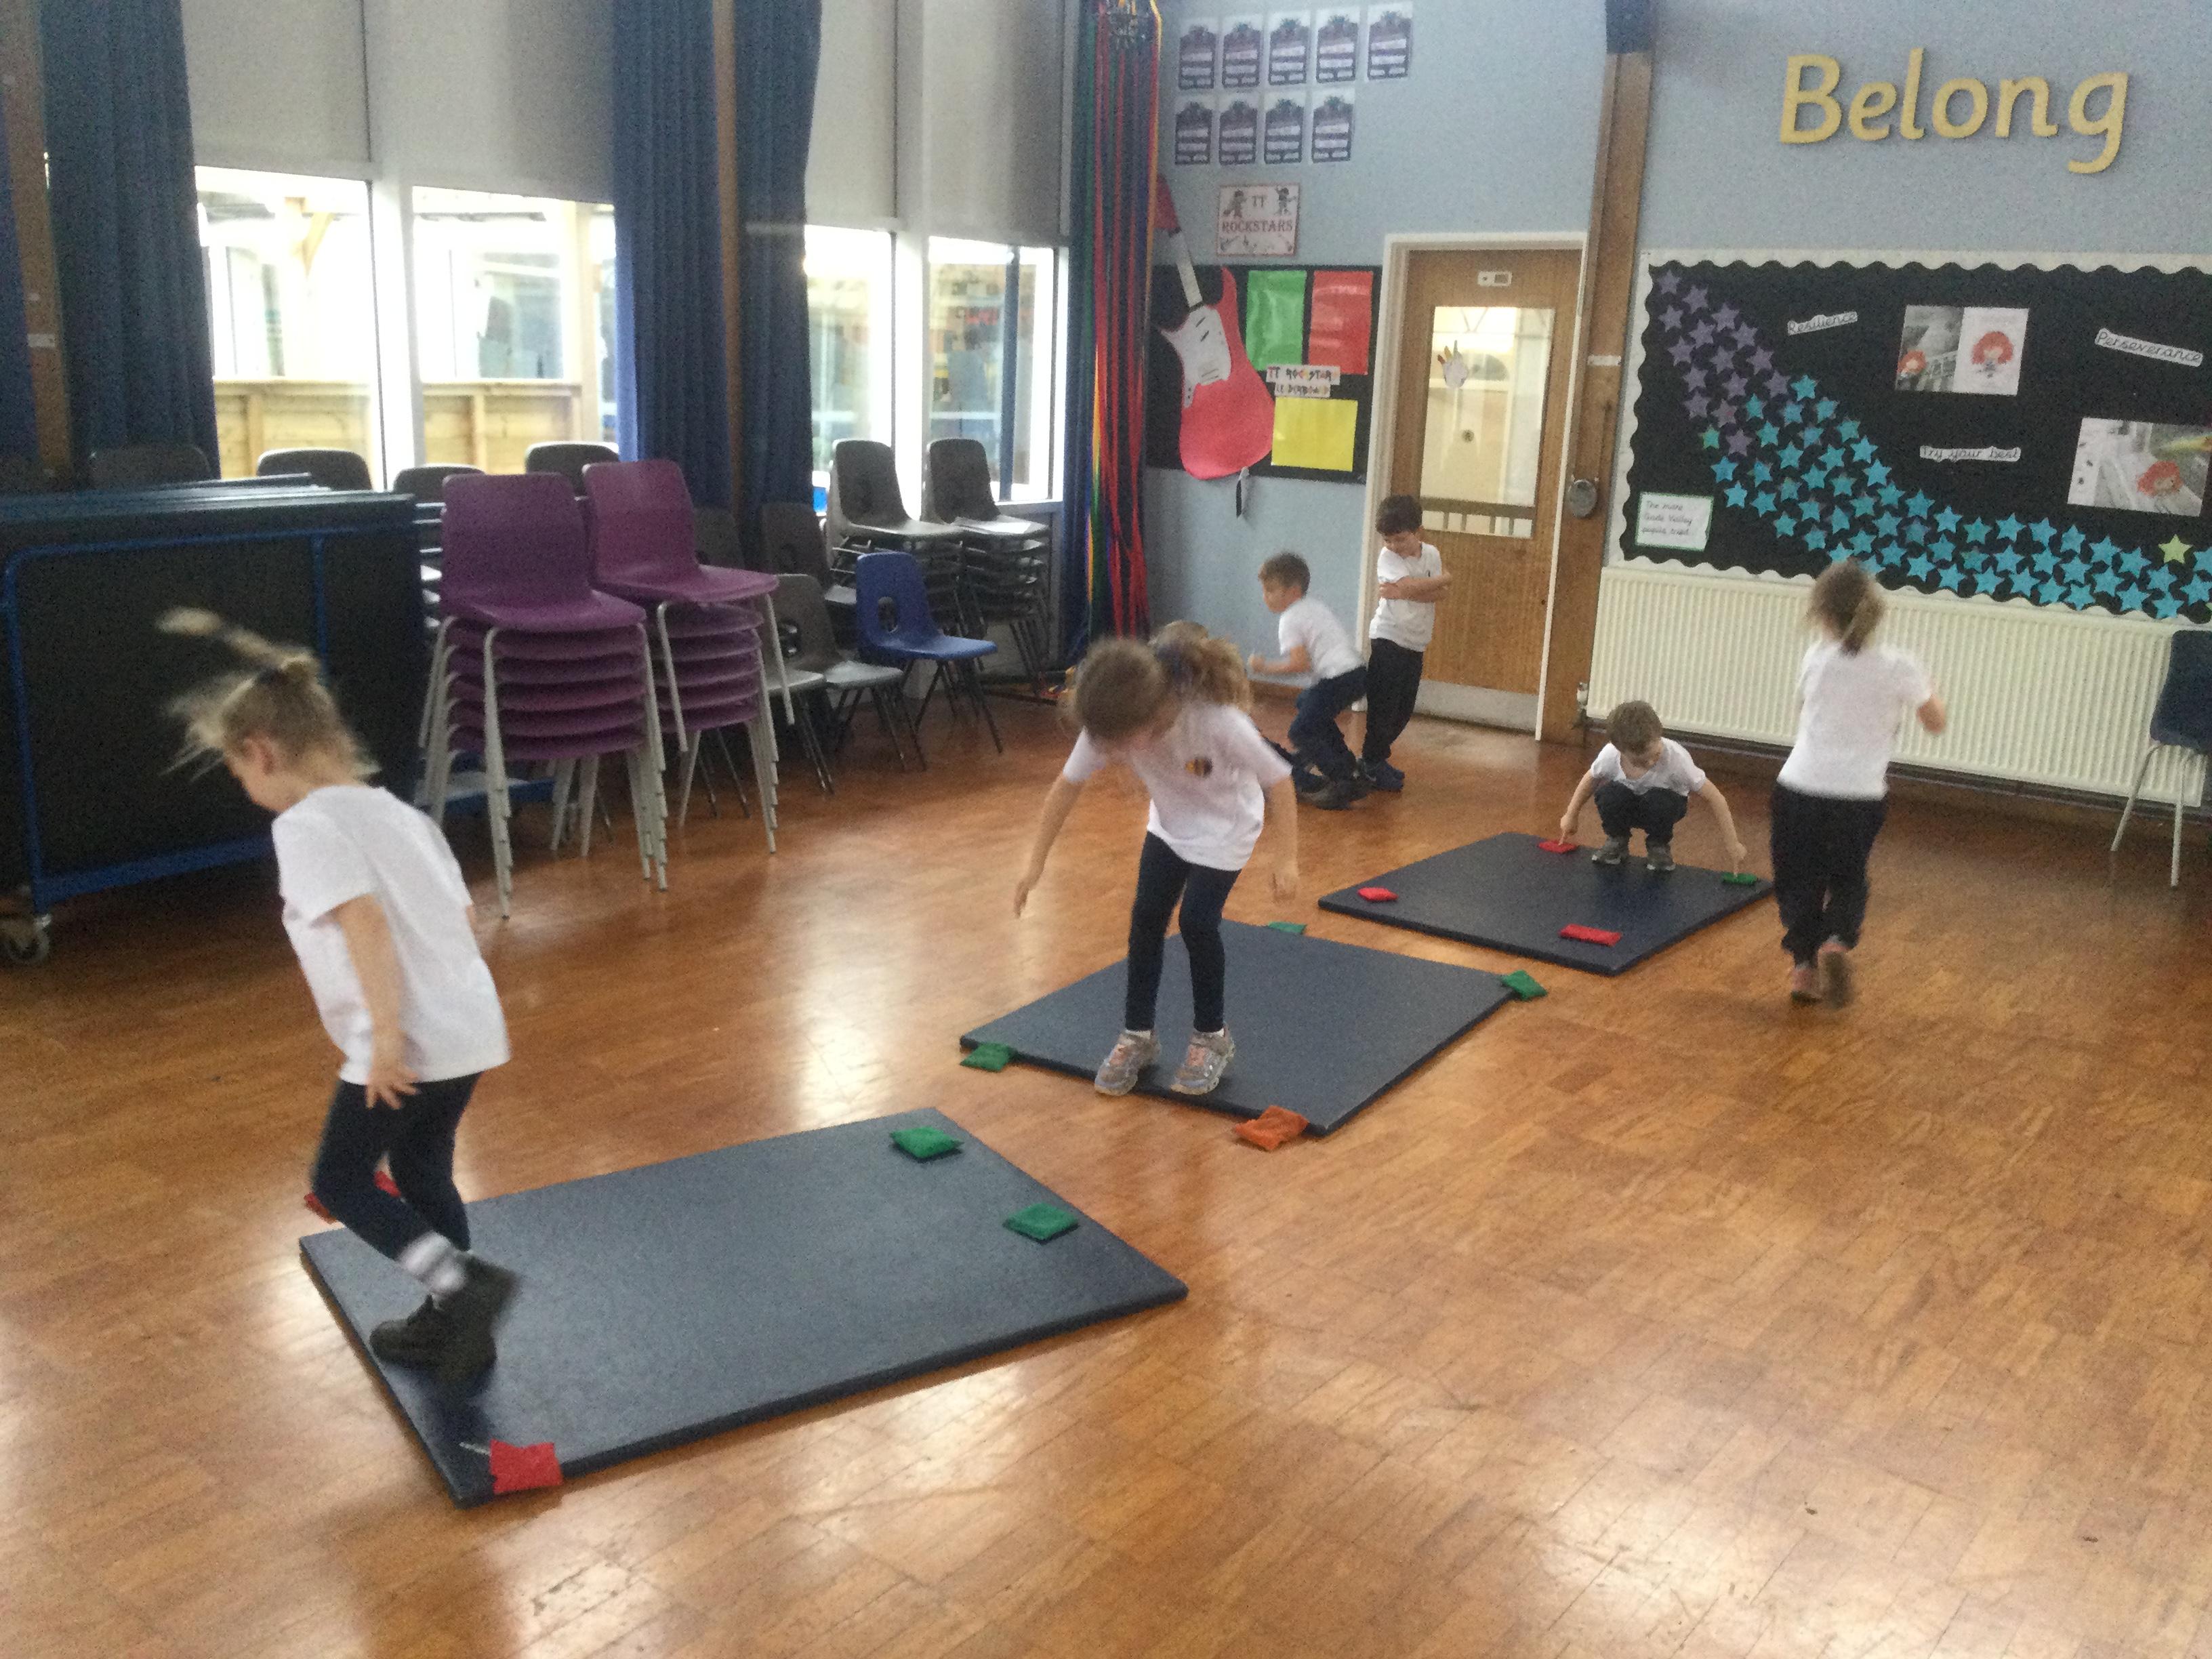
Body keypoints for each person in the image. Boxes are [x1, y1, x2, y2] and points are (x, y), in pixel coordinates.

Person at [161, 609, 518, 1386]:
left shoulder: (307, 826)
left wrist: (386, 1036)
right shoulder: (402, 815)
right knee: (423, 1168)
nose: (246, 788)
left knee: (341, 1181)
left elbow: (364, 921)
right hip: (468, 1032)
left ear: (261, 752)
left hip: (405, 1042)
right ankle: (456, 1323)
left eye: (239, 772)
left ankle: (463, 1291)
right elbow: (461, 918)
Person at [1014, 623, 1299, 1097]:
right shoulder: (1113, 720)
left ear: (1148, 718)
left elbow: (1280, 781)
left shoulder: (1217, 721)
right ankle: (1138, 1036)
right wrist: (1034, 861)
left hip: (1227, 829)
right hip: (1168, 825)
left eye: (1117, 743)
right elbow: (1066, 787)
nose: (1109, 752)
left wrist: (1286, 858)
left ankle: (1212, 1036)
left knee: (1197, 923)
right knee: (1146, 919)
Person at [1771, 560, 1946, 1005]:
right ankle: (1836, 939)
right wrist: (1929, 689)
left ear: (1821, 612)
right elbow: (1935, 723)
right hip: (1859, 796)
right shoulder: (1900, 666)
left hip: (1799, 787)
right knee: (1848, 878)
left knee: (1799, 880)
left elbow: (1804, 711)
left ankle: (1803, 969)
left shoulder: (1815, 657)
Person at [1557, 699, 1745, 874]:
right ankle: (1617, 841)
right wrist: (1571, 815)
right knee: (1609, 794)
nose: (1650, 763)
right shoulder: (1610, 755)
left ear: (1659, 735)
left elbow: (1715, 798)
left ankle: (1658, 846)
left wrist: (1732, 843)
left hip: (1662, 808)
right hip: (1628, 807)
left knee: (1659, 800)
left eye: (1654, 755)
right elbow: (1590, 780)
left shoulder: (1677, 759)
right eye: (1639, 761)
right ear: (1619, 750)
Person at [1248, 551, 1366, 810]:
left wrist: (1264, 668)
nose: (1265, 596)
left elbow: (1299, 664)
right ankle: (1346, 764)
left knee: (1301, 731)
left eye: (1271, 590)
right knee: (1306, 703)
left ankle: (1344, 780)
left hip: (1338, 677)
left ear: (1292, 592)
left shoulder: (1290, 618)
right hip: (1356, 673)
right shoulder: (1314, 606)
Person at [1360, 493, 1451, 792]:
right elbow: (1414, 586)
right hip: (1388, 637)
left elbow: (1438, 594)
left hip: (1416, 642)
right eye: (1388, 540)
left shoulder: (1432, 555)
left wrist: (1408, 591)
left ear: (1418, 532)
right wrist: (1442, 579)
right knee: (1383, 707)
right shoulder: (1387, 557)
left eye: (1400, 539)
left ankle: (1375, 759)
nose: (1393, 546)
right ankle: (1371, 763)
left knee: (1404, 709)